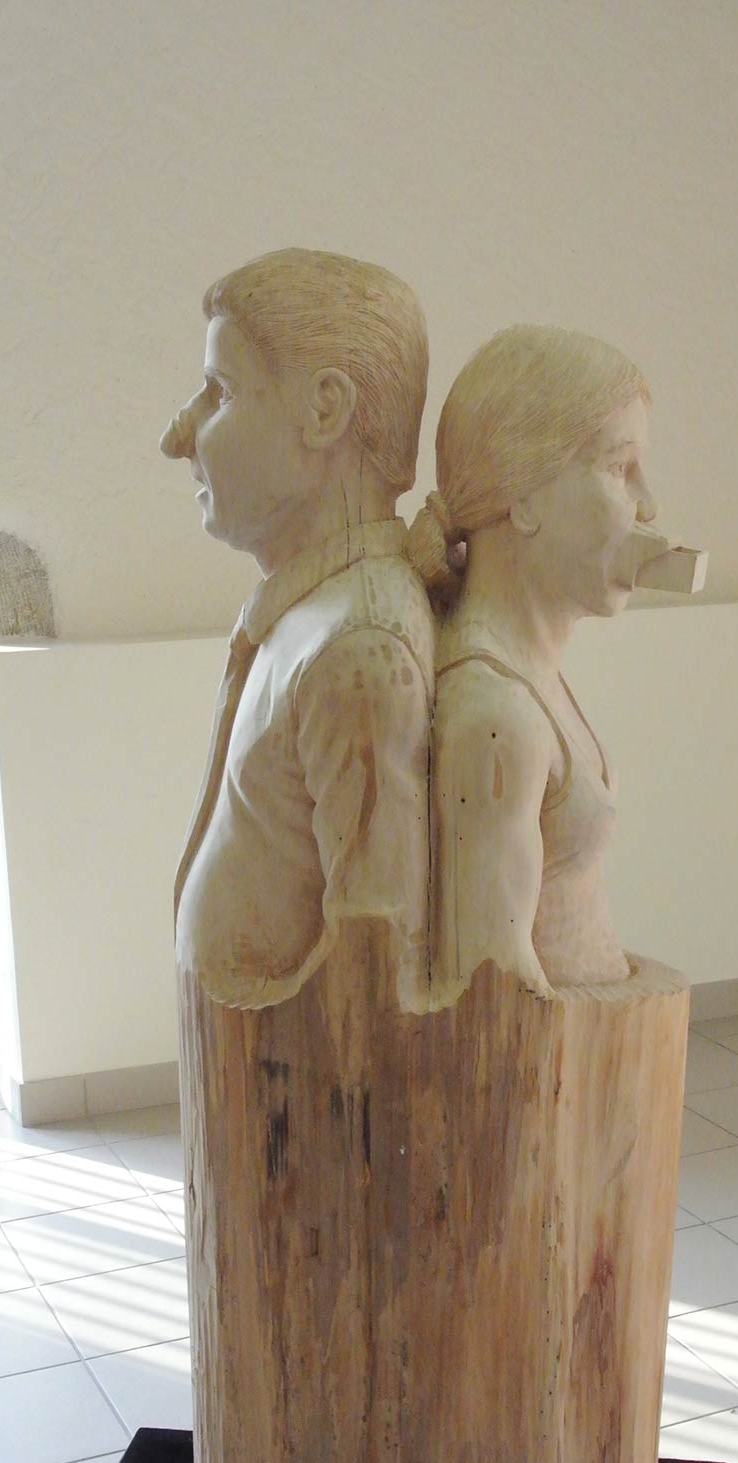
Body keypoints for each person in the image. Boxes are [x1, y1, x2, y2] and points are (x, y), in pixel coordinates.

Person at [161, 248, 434, 1012]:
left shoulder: (359, 651)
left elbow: (371, 983)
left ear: (325, 409)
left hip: (302, 1079)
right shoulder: (315, 622)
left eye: (219, 392)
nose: (178, 436)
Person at [406, 324, 657, 1003]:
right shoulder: (495, 716)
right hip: (551, 1061)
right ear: (523, 496)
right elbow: (494, 999)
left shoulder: (527, 679)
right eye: (620, 469)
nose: (650, 507)